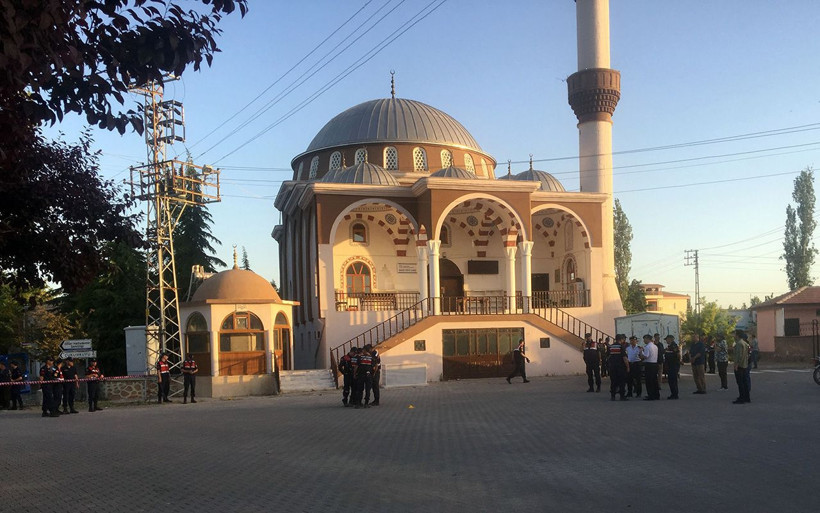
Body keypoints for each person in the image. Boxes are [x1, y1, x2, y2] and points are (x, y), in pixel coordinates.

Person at [608, 334, 630, 401]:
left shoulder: (611, 346)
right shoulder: (621, 347)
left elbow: (608, 356)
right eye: (623, 339)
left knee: (613, 381)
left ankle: (613, 396)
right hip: (620, 367)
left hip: (612, 367)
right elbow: (624, 358)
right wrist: (628, 367)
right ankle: (622, 396)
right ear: (621, 339)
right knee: (622, 382)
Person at [732, 330, 751, 404]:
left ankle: (742, 398)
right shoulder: (745, 343)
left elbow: (739, 355)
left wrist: (736, 364)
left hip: (740, 365)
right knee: (744, 382)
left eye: (735, 334)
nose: (734, 335)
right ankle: (746, 397)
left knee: (740, 382)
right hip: (744, 365)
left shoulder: (739, 343)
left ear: (737, 335)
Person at [640, 334, 660, 400]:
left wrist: (641, 352)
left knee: (649, 381)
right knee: (654, 380)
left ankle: (651, 395)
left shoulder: (647, 347)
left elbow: (646, 356)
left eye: (644, 339)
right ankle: (656, 395)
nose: (644, 340)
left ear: (648, 339)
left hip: (649, 364)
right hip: (655, 363)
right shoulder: (655, 346)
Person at [663, 335, 681, 399]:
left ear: (670, 339)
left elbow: (678, 355)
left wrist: (677, 363)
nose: (666, 341)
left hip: (673, 365)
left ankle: (675, 394)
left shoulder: (674, 346)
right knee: (671, 380)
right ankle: (673, 393)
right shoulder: (669, 346)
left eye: (667, 339)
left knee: (673, 380)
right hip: (670, 365)